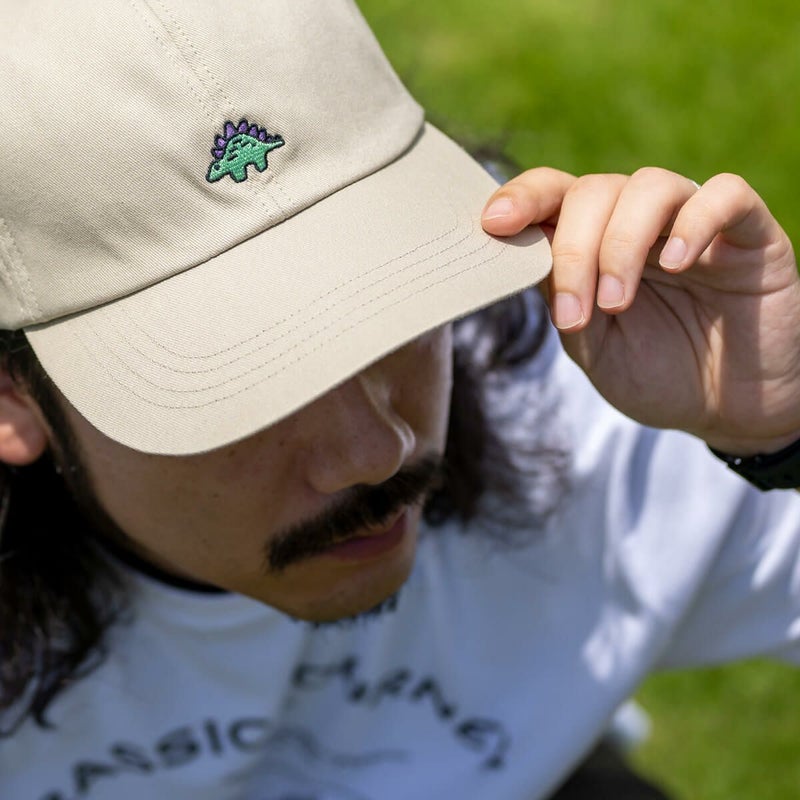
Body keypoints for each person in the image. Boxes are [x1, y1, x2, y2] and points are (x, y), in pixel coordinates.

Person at [2, 1, 799, 798]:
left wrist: (779, 426)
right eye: (248, 379)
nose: (379, 450)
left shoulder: (565, 387)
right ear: (15, 397)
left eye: (396, 304)